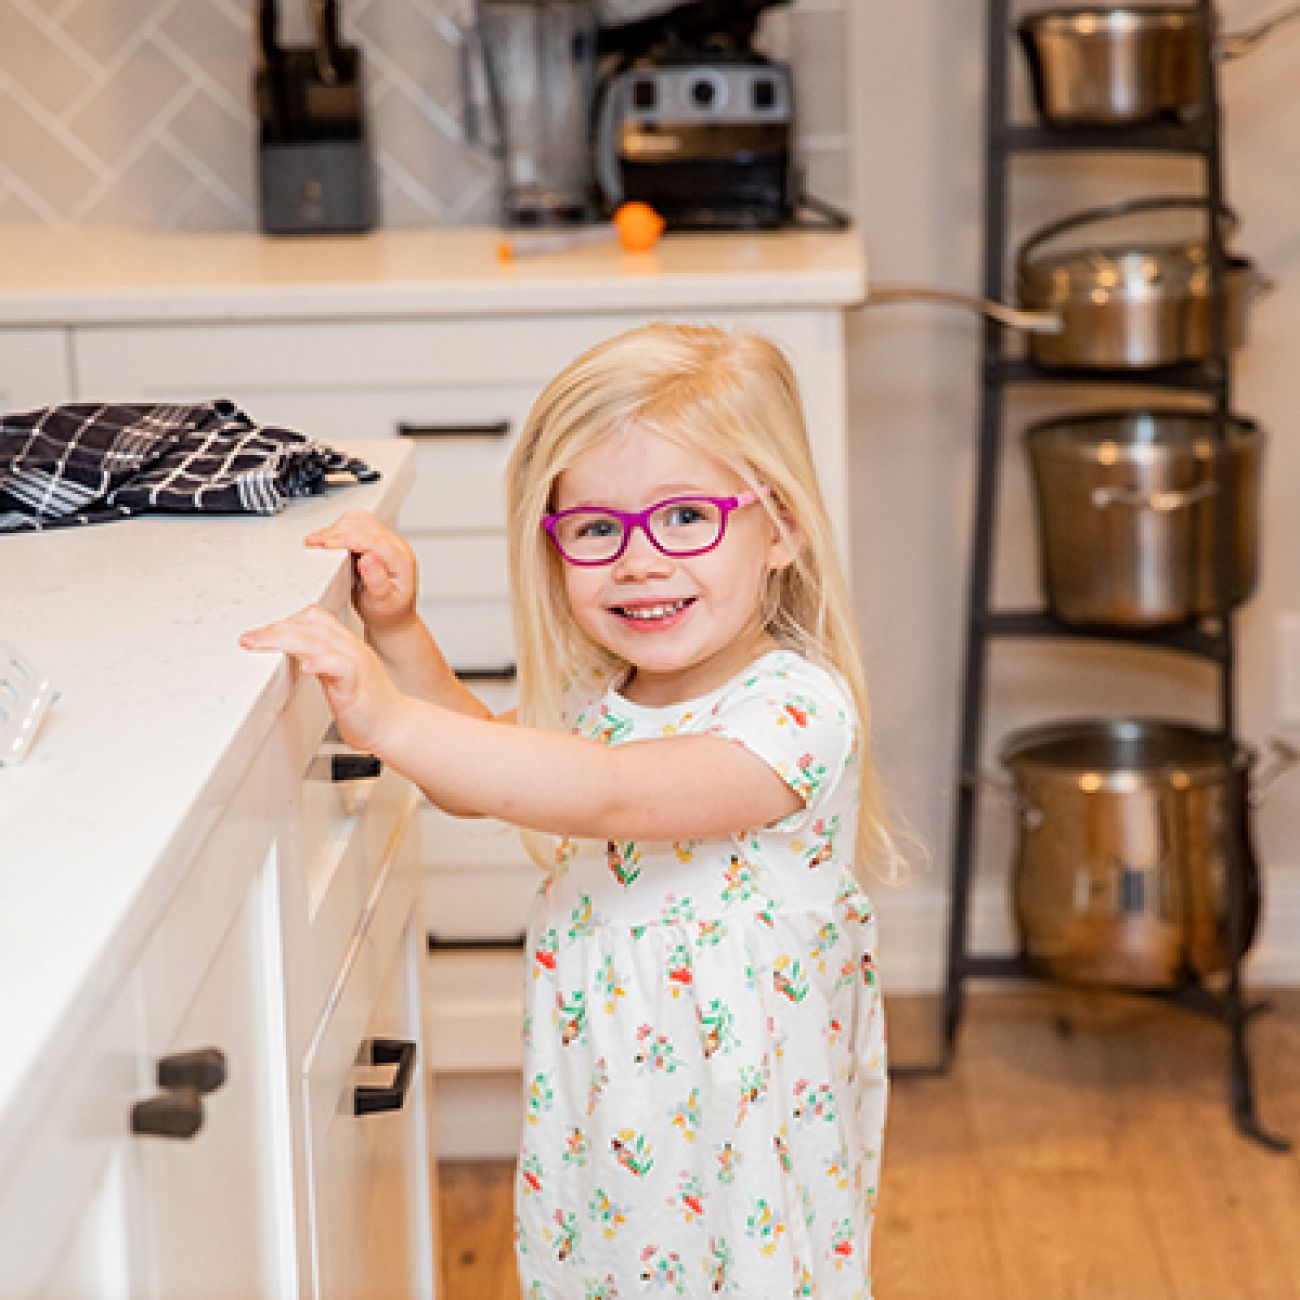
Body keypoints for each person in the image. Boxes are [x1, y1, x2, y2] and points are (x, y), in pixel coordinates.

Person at [241, 322, 898, 1298]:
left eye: (685, 517)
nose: (639, 560)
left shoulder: (794, 713)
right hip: (616, 1105)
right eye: (596, 529)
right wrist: (399, 631)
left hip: (737, 1118)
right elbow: (481, 773)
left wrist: (381, 713)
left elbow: (608, 792)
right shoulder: (609, 701)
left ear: (782, 528)